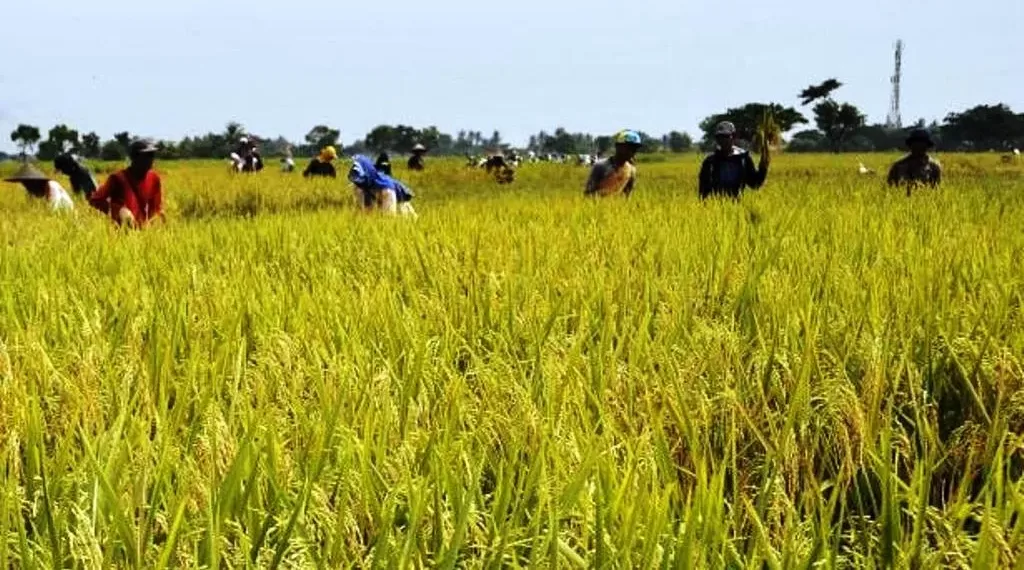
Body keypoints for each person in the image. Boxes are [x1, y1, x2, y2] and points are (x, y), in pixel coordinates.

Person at [89, 139, 163, 227]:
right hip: (121, 232)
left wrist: (155, 223)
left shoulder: (154, 178)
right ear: (134, 158)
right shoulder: (117, 178)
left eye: (152, 155)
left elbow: (156, 208)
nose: (151, 159)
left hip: (144, 231)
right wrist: (119, 210)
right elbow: (95, 200)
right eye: (147, 155)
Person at [698, 121, 769, 199]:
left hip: (737, 206)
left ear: (734, 137)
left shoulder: (743, 158)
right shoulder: (710, 162)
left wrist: (763, 166)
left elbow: (755, 184)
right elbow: (703, 192)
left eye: (726, 136)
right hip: (715, 205)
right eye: (719, 137)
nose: (722, 140)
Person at [348, 155, 416, 216]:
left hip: (399, 198)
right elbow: (365, 209)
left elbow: (388, 216)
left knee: (391, 219)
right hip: (385, 192)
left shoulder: (385, 187)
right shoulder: (362, 184)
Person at [584, 130, 641, 197]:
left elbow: (628, 195)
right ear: (618, 146)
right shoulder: (600, 166)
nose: (632, 152)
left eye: (635, 149)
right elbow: (588, 193)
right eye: (629, 148)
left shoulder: (631, 170)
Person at [3, 163, 74, 211]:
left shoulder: (51, 185)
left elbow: (52, 208)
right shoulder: (31, 192)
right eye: (24, 183)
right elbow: (31, 208)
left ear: (35, 181)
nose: (26, 186)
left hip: (63, 214)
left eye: (27, 183)